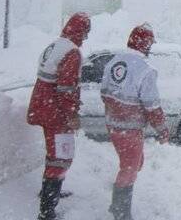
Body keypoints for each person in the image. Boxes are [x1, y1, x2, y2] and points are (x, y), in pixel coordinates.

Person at [100, 23, 169, 220]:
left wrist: (115, 111)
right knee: (130, 168)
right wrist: (162, 129)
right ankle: (120, 212)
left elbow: (104, 93)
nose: (150, 47)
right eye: (150, 44)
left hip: (113, 125)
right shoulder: (146, 70)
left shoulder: (113, 62)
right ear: (145, 44)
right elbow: (152, 106)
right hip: (130, 129)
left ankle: (118, 201)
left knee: (134, 163)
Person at [27, 12, 91, 220]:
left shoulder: (55, 45)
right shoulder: (72, 52)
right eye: (85, 32)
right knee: (62, 156)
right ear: (79, 31)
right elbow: (66, 88)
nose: (86, 38)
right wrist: (71, 115)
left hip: (43, 106)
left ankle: (50, 192)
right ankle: (47, 211)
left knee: (54, 153)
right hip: (56, 112)